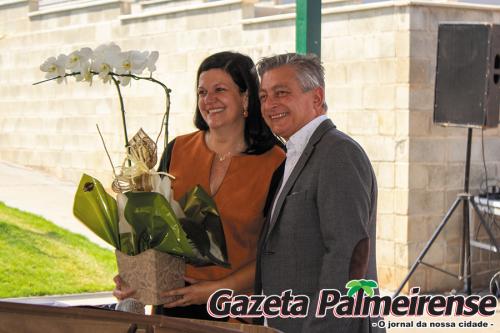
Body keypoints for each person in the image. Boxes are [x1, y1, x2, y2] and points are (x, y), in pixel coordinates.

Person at [114, 51, 285, 321]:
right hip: (171, 307)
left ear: (246, 97)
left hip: (235, 310)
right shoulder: (178, 149)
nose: (209, 100)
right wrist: (137, 272)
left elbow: (279, 253)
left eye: (220, 90)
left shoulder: (277, 162)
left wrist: (214, 290)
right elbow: (152, 227)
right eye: (202, 92)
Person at [254, 53, 383, 332]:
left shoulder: (339, 153)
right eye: (264, 96)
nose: (269, 104)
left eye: (282, 93)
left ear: (316, 97)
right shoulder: (293, 155)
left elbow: (347, 255)